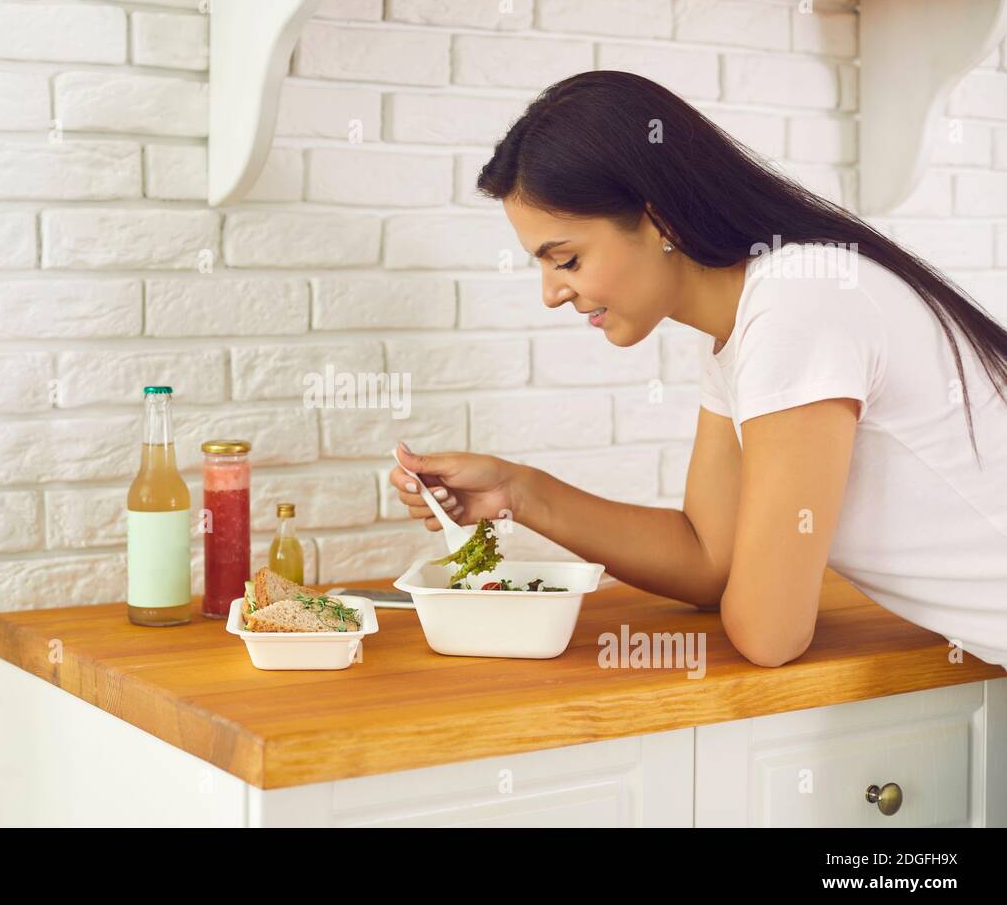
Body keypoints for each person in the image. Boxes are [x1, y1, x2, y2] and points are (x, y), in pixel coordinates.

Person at [390, 71, 1007, 670]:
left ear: (659, 222)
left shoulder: (797, 303)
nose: (552, 294)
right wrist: (516, 493)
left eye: (568, 260)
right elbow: (711, 559)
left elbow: (770, 634)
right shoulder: (744, 326)